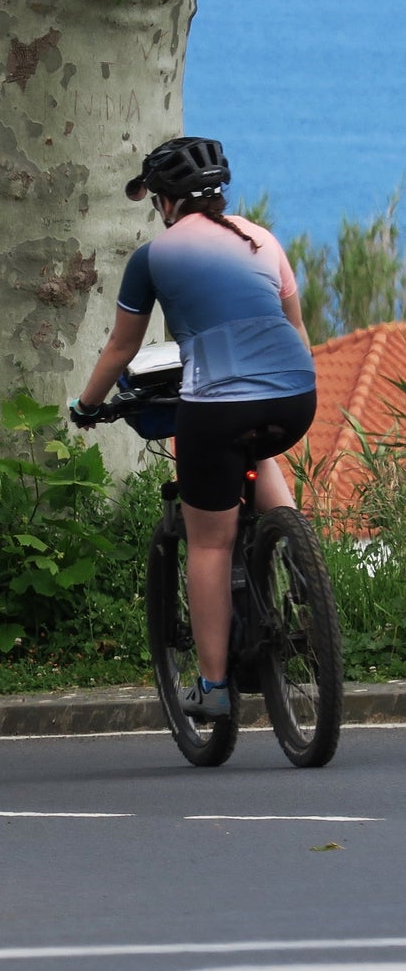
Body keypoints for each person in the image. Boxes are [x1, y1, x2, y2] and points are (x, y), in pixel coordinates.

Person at [69, 137, 316, 721]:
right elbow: (296, 327)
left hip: (217, 405)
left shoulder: (154, 257)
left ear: (164, 201)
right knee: (263, 449)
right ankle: (305, 574)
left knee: (210, 540)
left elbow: (120, 348)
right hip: (295, 393)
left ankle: (212, 686)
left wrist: (85, 405)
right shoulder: (261, 238)